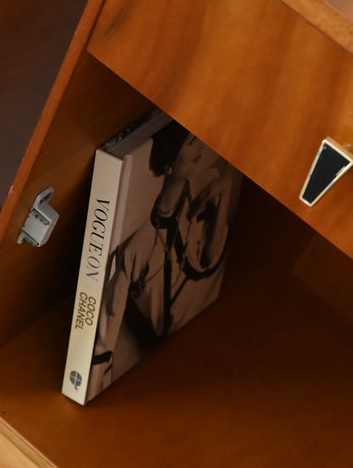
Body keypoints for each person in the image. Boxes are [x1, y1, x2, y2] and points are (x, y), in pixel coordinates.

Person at [87, 122, 240, 396]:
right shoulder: (136, 246)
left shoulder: (208, 183)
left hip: (208, 325)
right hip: (163, 351)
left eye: (196, 139)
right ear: (168, 165)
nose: (199, 146)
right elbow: (104, 339)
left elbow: (210, 257)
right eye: (189, 142)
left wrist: (226, 189)